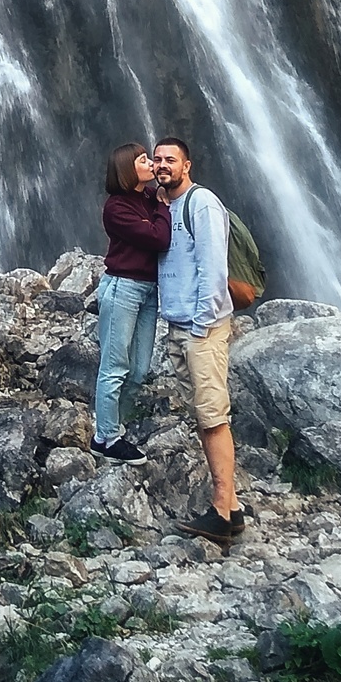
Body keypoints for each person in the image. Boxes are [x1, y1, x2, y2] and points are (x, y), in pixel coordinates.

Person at [153, 136, 243, 542]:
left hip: (200, 327)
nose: (162, 165)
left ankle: (221, 513)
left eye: (170, 159)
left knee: (212, 416)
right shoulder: (163, 207)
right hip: (179, 324)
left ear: (186, 165)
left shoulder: (201, 203)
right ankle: (234, 508)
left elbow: (213, 267)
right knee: (204, 416)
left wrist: (202, 324)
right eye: (157, 160)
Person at [92, 143, 172, 460]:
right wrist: (164, 208)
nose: (151, 162)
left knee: (139, 370)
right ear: (128, 169)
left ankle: (118, 427)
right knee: (114, 366)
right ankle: (105, 438)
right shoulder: (116, 208)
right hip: (122, 288)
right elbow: (158, 238)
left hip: (148, 290)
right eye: (143, 160)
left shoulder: (150, 197)